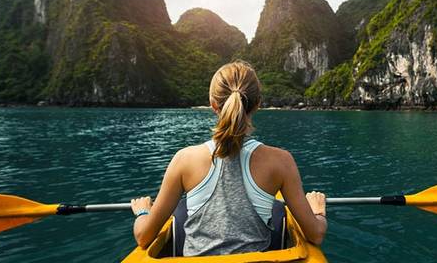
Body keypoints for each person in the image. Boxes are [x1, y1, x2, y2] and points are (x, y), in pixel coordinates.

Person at [129, 60, 327, 256]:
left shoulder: (184, 160)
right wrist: (317, 211)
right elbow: (315, 235)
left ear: (213, 105)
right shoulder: (281, 161)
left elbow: (143, 237)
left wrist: (143, 212)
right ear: (257, 104)